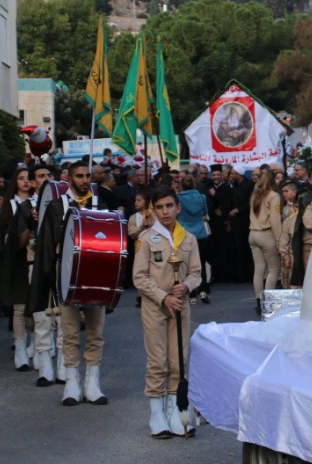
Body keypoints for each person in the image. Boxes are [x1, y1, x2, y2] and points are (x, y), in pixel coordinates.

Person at [29, 160, 108, 405]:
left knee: (96, 331)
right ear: (70, 179)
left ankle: (92, 382)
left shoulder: (100, 205)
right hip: (66, 277)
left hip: (94, 278)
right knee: (70, 332)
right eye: (79, 176)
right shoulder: (55, 207)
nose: (85, 180)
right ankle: (72, 382)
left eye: (87, 176)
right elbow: (46, 247)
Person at [132, 186, 202, 438]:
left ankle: (177, 410)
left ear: (178, 208)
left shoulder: (189, 238)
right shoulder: (147, 239)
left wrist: (187, 286)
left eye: (169, 206)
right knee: (157, 360)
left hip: (180, 306)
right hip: (156, 306)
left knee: (179, 360)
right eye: (159, 207)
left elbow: (196, 273)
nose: (165, 212)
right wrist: (164, 297)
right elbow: (138, 278)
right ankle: (156, 413)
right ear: (153, 210)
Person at [0, 167, 35, 372]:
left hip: (35, 257)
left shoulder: (38, 202)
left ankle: (35, 342)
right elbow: (5, 236)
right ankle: (20, 347)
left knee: (36, 307)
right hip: (16, 258)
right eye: (21, 178)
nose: (25, 182)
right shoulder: (10, 206)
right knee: (20, 306)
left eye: (28, 178)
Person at [248, 169, 282, 314]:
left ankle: (258, 301)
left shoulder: (255, 194)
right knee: (273, 270)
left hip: (252, 234)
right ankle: (267, 303)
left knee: (259, 269)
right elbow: (275, 221)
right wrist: (280, 240)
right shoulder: (273, 196)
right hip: (266, 234)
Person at [177, 175, 211, 305]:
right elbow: (204, 213)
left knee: (186, 264)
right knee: (200, 263)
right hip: (201, 234)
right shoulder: (201, 197)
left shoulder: (178, 198)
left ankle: (191, 294)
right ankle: (203, 290)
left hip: (184, 234)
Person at [228, 164, 254, 282]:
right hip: (236, 223)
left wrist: (238, 210)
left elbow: (250, 202)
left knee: (248, 249)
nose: (231, 175)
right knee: (238, 248)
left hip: (246, 221)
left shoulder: (249, 185)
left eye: (233, 173)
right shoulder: (234, 185)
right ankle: (240, 275)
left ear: (239, 174)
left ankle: (249, 274)